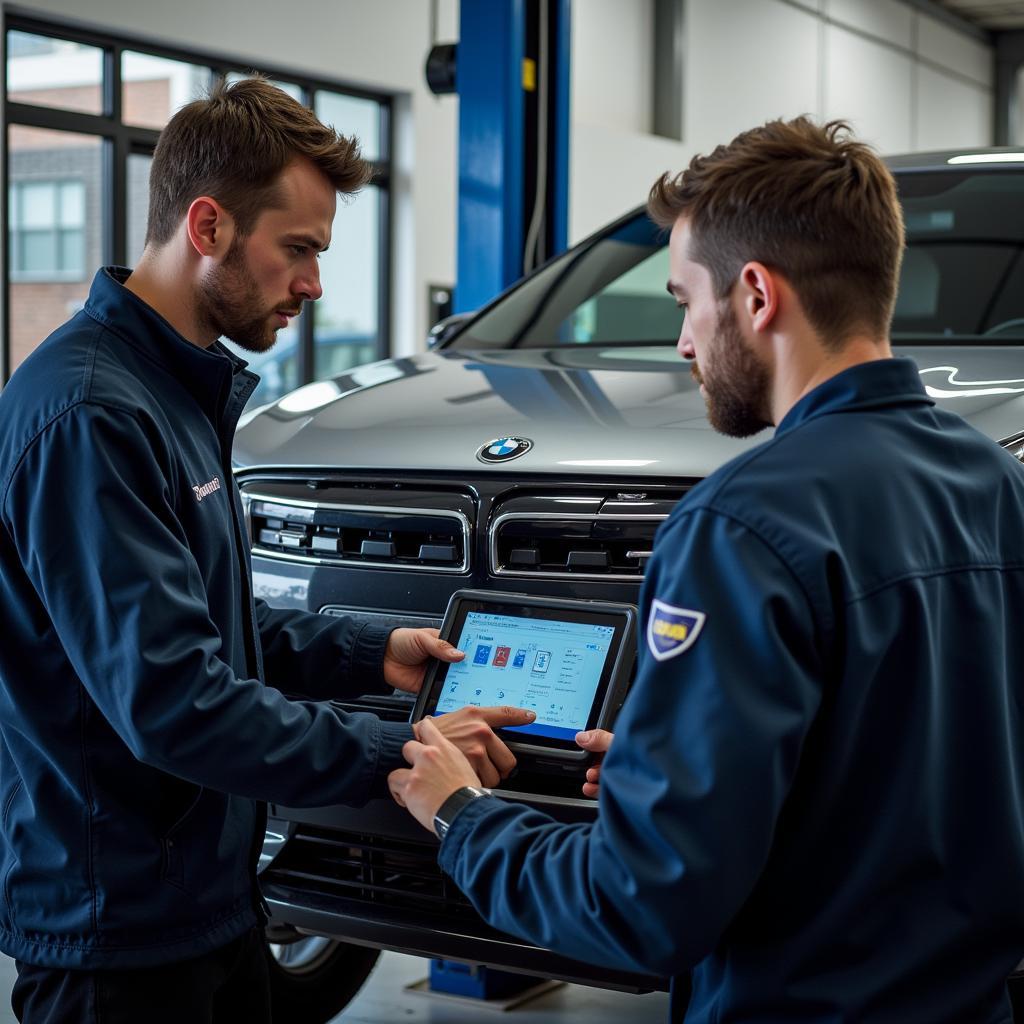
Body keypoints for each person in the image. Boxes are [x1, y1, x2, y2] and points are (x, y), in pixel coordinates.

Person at [389, 117, 1024, 1022]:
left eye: (685, 300)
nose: (683, 342)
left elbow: (641, 910)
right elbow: (919, 759)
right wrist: (673, 769)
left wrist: (463, 818)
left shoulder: (742, 524)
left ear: (757, 296)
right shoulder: (997, 480)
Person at [0, 77, 533, 1024]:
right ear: (206, 226)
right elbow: (173, 702)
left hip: (205, 895)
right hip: (116, 932)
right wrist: (404, 752)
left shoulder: (174, 388)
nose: (314, 285)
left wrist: (368, 648)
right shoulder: (91, 415)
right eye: (299, 250)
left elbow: (204, 623)